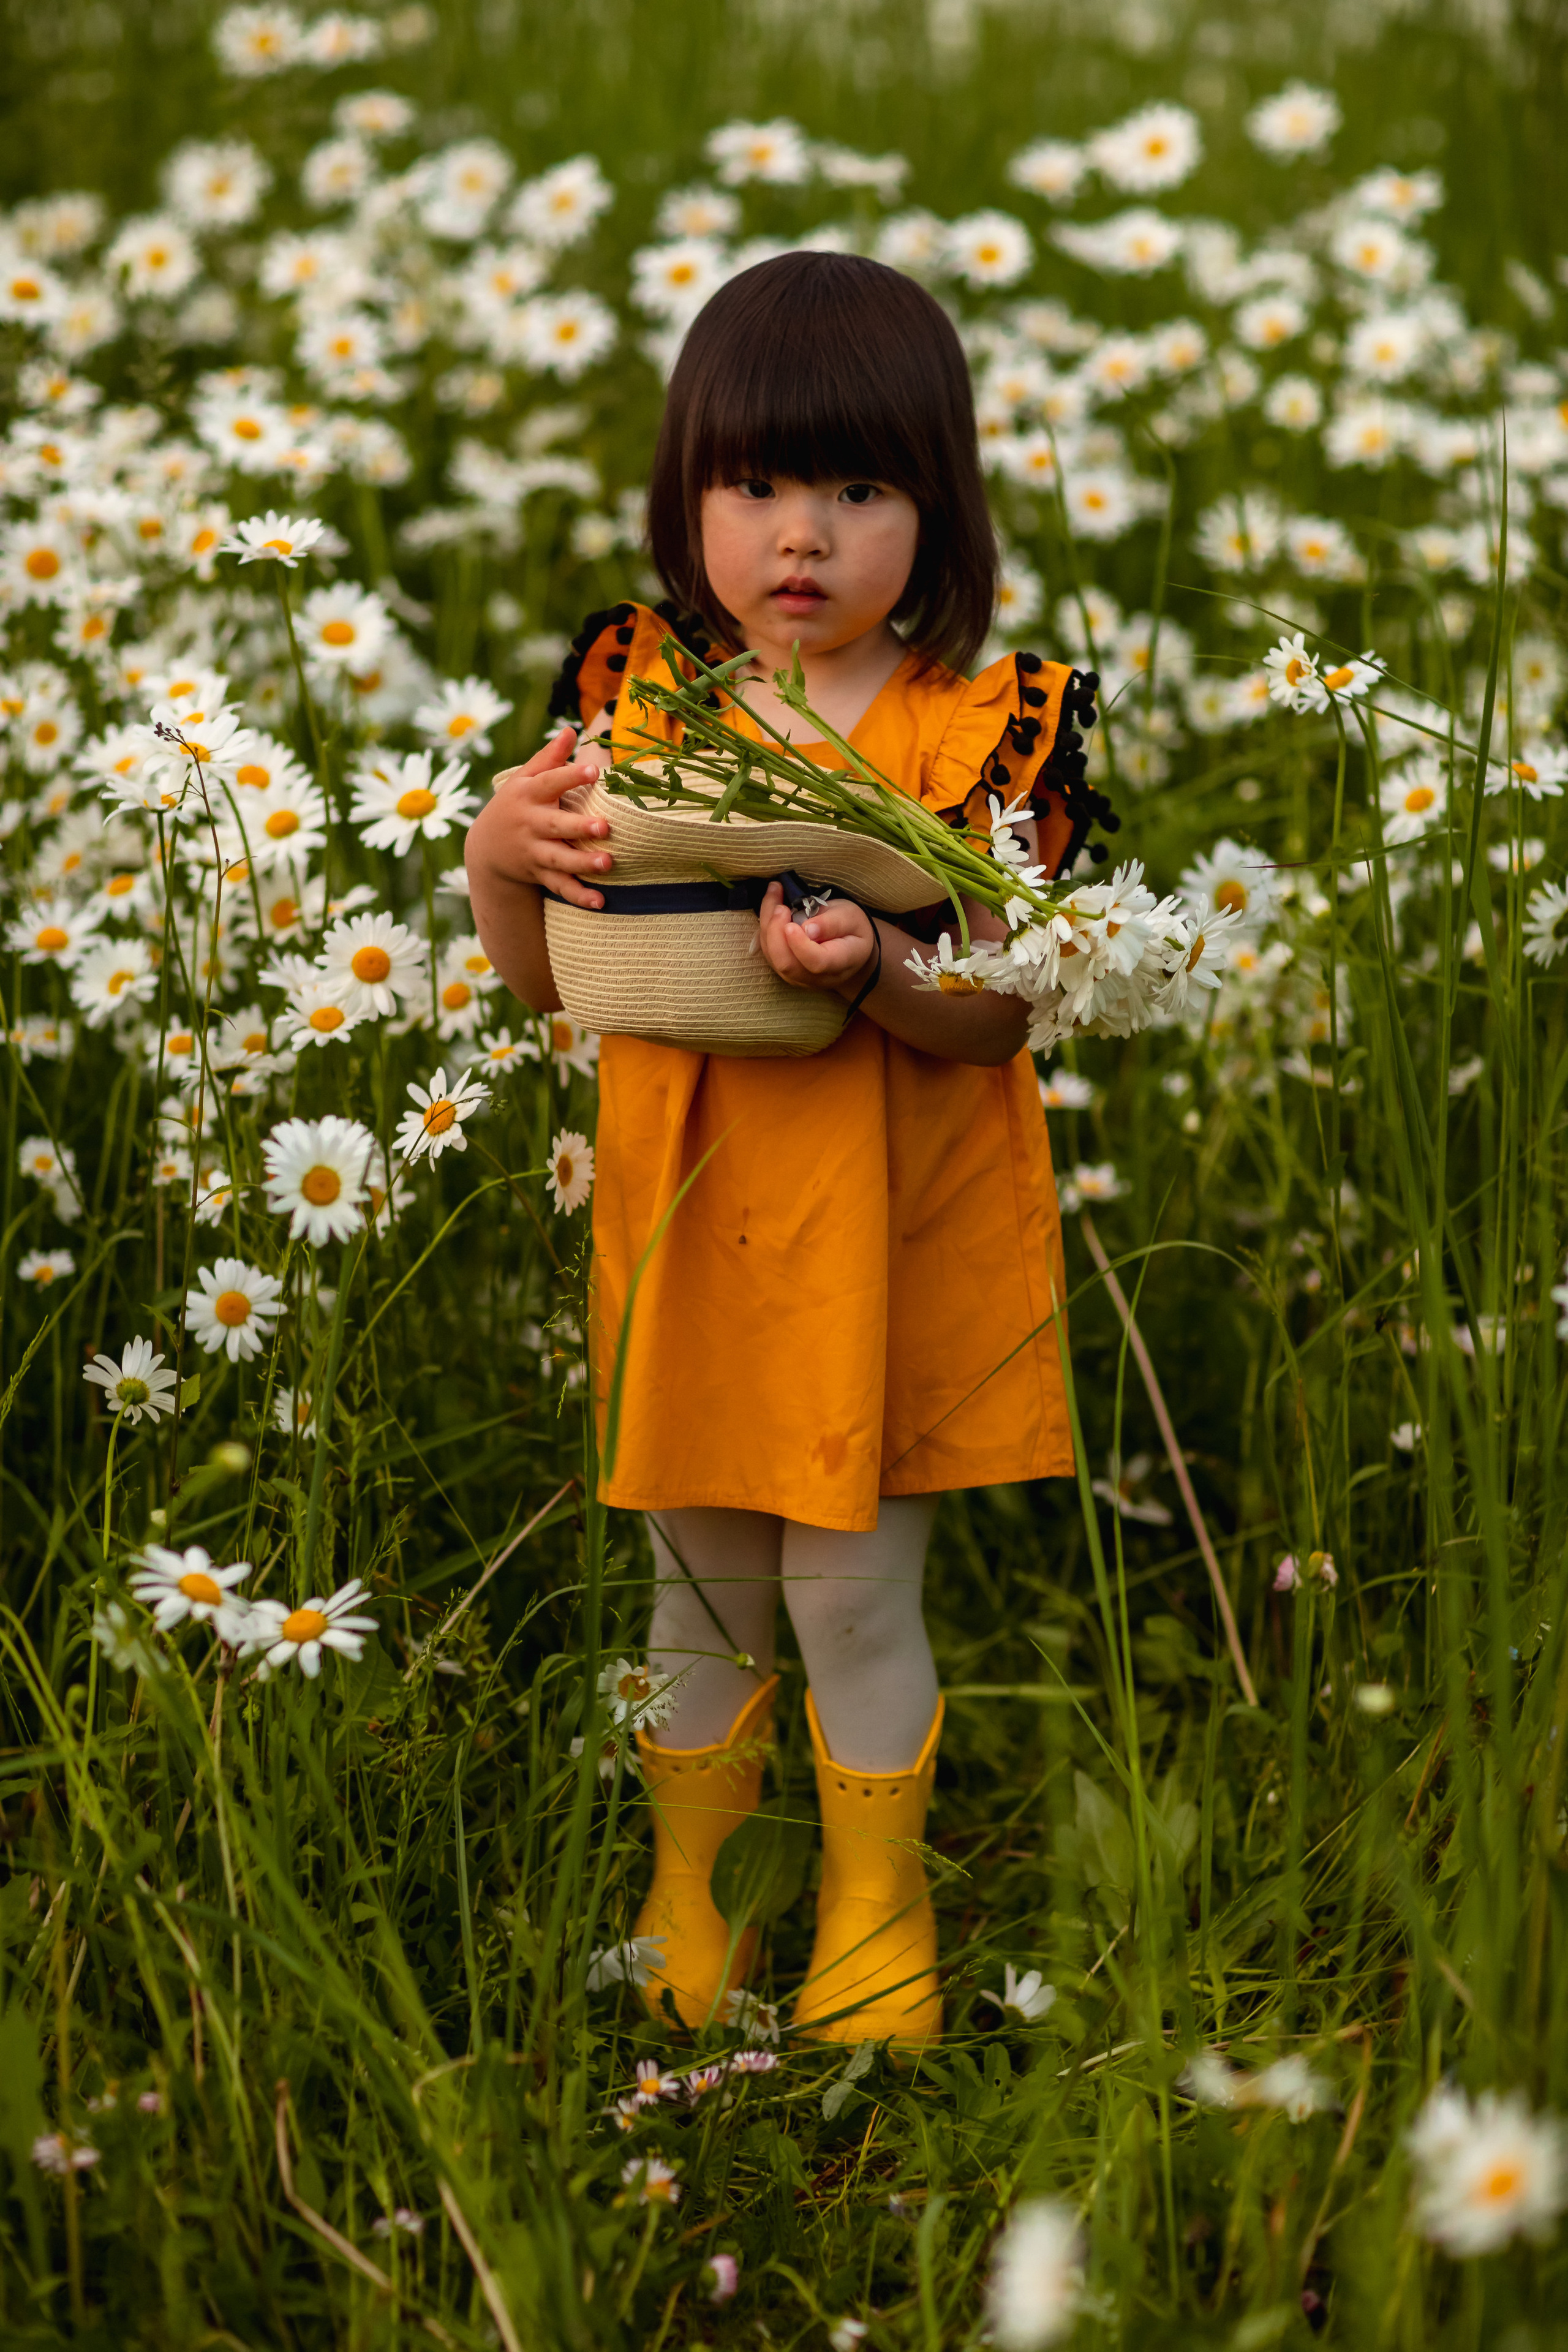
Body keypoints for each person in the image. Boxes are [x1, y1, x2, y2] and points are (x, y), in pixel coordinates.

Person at [465, 251, 1112, 2047]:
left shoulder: (977, 731)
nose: (798, 536)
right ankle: (697, 1890)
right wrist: (497, 862)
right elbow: (562, 986)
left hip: (886, 1243)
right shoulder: (640, 705)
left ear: (941, 507)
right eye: (751, 486)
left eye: (857, 487)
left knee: (853, 1593)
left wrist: (883, 968)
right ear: (689, 501)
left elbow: (1006, 1008)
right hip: (692, 1223)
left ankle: (875, 1906)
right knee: (700, 1592)